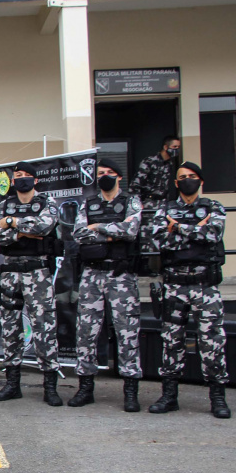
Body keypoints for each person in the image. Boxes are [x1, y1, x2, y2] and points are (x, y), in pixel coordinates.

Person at [149, 161, 230, 419]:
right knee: (171, 341)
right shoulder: (165, 209)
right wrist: (195, 230)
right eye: (182, 177)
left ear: (201, 180)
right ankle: (169, 396)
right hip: (175, 286)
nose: (187, 180)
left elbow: (213, 234)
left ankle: (217, 398)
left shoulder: (213, 207)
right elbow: (159, 239)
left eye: (192, 176)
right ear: (176, 183)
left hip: (205, 285)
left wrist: (178, 228)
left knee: (212, 342)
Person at [0, 162, 63, 406]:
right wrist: (22, 231)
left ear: (35, 180)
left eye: (25, 176)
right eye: (16, 176)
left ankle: (50, 387)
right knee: (10, 329)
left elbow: (44, 227)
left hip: (37, 272)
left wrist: (10, 224)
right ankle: (12, 384)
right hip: (10, 273)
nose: (20, 179)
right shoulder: (5, 204)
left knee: (44, 328)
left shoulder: (47, 204)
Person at [69, 159, 143, 411]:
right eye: (101, 173)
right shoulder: (88, 203)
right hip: (92, 275)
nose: (105, 176)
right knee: (86, 332)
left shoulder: (131, 201)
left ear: (119, 177)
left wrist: (98, 226)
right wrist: (113, 233)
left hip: (121, 275)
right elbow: (79, 234)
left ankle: (131, 391)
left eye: (110, 173)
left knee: (127, 332)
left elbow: (131, 230)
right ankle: (85, 388)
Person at [131, 135, 181, 256]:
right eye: (174, 147)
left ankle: (158, 263)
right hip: (149, 202)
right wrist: (137, 204)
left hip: (163, 203)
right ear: (166, 147)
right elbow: (135, 185)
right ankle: (145, 265)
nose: (176, 150)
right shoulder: (150, 161)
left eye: (178, 147)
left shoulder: (169, 163)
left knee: (162, 231)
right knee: (146, 233)